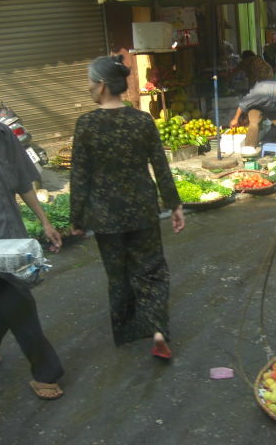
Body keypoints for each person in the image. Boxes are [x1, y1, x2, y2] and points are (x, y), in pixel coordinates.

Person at [70, 55, 185, 360]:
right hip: (143, 210)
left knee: (117, 274)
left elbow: (79, 175)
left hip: (105, 216)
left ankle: (128, 330)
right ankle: (157, 330)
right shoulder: (142, 120)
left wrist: (76, 218)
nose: (88, 87)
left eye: (90, 82)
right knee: (152, 270)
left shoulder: (86, 124)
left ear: (102, 85)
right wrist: (174, 204)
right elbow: (160, 165)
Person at [0, 64, 65, 400]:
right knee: (20, 303)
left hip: (14, 238)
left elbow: (23, 183)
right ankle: (46, 373)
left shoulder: (3, 135)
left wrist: (45, 221)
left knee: (6, 302)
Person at [229, 80, 276, 150]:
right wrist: (235, 119)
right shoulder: (261, 92)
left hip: (274, 108)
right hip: (257, 107)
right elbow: (243, 104)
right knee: (254, 124)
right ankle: (249, 149)